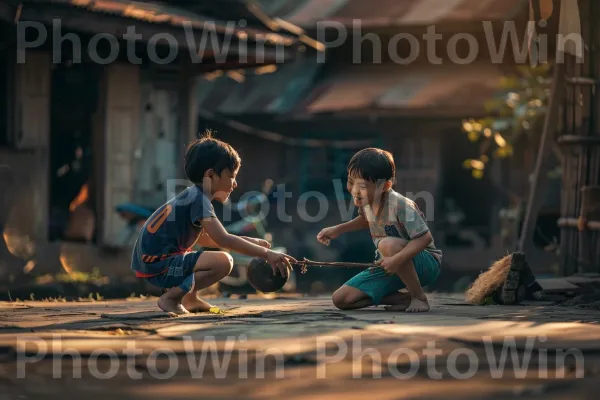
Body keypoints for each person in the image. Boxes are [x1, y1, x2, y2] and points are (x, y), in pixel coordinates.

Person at [131, 132, 296, 314]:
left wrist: (250, 243)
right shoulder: (199, 200)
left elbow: (205, 239)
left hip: (151, 263)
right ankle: (171, 298)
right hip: (160, 266)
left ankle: (190, 298)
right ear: (210, 175)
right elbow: (223, 240)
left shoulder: (192, 196)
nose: (235, 184)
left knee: (209, 255)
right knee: (224, 262)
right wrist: (267, 254)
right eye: (231, 176)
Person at [317, 148, 442, 312]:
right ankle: (403, 298)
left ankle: (418, 297)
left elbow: (424, 238)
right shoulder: (368, 202)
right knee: (341, 299)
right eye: (350, 181)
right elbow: (365, 220)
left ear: (385, 185)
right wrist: (338, 229)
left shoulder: (400, 205)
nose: (354, 190)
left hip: (424, 264)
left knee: (387, 245)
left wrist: (396, 259)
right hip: (389, 265)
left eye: (362, 185)